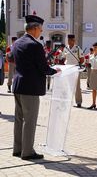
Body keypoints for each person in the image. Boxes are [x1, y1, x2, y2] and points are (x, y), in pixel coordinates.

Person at [12, 15, 60, 160]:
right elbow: (43, 67)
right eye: (40, 29)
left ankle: (17, 149)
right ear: (33, 29)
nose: (41, 32)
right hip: (30, 88)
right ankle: (27, 152)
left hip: (18, 85)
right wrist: (54, 71)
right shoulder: (35, 45)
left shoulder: (17, 42)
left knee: (19, 119)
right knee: (30, 120)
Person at [63, 34, 84, 107]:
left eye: (71, 40)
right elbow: (64, 58)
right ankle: (69, 101)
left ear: (74, 40)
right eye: (68, 40)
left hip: (75, 68)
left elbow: (82, 59)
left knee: (77, 86)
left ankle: (79, 102)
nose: (69, 41)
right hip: (68, 69)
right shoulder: (66, 48)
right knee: (68, 86)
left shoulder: (77, 48)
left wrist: (77, 66)